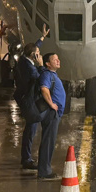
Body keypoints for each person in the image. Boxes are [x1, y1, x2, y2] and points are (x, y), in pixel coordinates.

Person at [14, 26, 47, 169]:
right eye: (38, 54)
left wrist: (42, 38)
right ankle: (26, 159)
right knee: (31, 129)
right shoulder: (31, 68)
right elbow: (40, 79)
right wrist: (41, 66)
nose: (39, 55)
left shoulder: (23, 58)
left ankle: (26, 157)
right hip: (28, 100)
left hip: (23, 97)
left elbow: (33, 47)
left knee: (31, 127)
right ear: (33, 56)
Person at [37, 52, 66, 180]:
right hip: (51, 113)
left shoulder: (51, 74)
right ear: (48, 64)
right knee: (48, 142)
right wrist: (52, 104)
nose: (58, 61)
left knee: (49, 141)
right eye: (55, 59)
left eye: (58, 58)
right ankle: (44, 171)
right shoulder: (47, 75)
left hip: (54, 114)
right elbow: (44, 89)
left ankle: (45, 169)